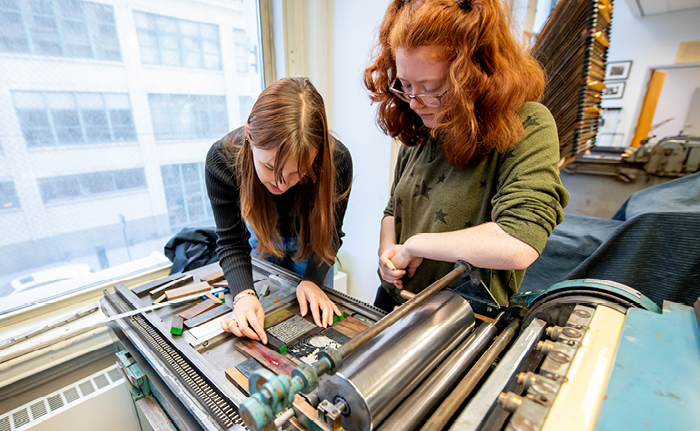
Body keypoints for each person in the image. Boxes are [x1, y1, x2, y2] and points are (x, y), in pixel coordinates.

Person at [364, 0, 570, 311]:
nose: (415, 102)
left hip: (461, 319)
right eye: (405, 85)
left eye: (432, 87)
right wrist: (389, 252)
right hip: (395, 300)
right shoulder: (420, 127)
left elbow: (520, 241)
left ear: (473, 77)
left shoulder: (528, 125)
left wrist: (417, 245)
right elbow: (394, 208)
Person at [205, 77, 353, 343]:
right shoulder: (222, 160)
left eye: (298, 172)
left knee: (314, 322)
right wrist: (244, 296)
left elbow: (331, 235)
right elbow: (230, 241)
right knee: (265, 320)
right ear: (250, 138)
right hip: (262, 238)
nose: (281, 183)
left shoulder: (338, 161)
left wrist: (312, 280)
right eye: (270, 167)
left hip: (313, 244)